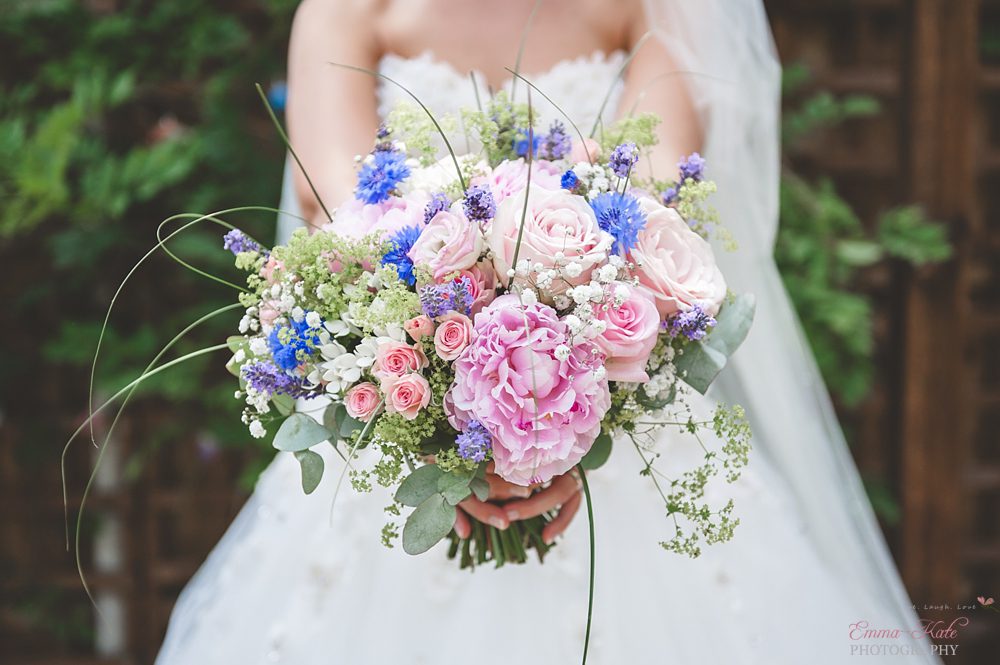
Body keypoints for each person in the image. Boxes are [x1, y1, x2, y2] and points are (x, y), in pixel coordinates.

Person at [157, 1, 940, 662]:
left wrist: (566, 429)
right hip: (402, 415)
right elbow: (339, 216)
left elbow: (657, 200)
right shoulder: (347, 11)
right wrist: (444, 436)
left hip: (621, 428)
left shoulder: (654, 8)